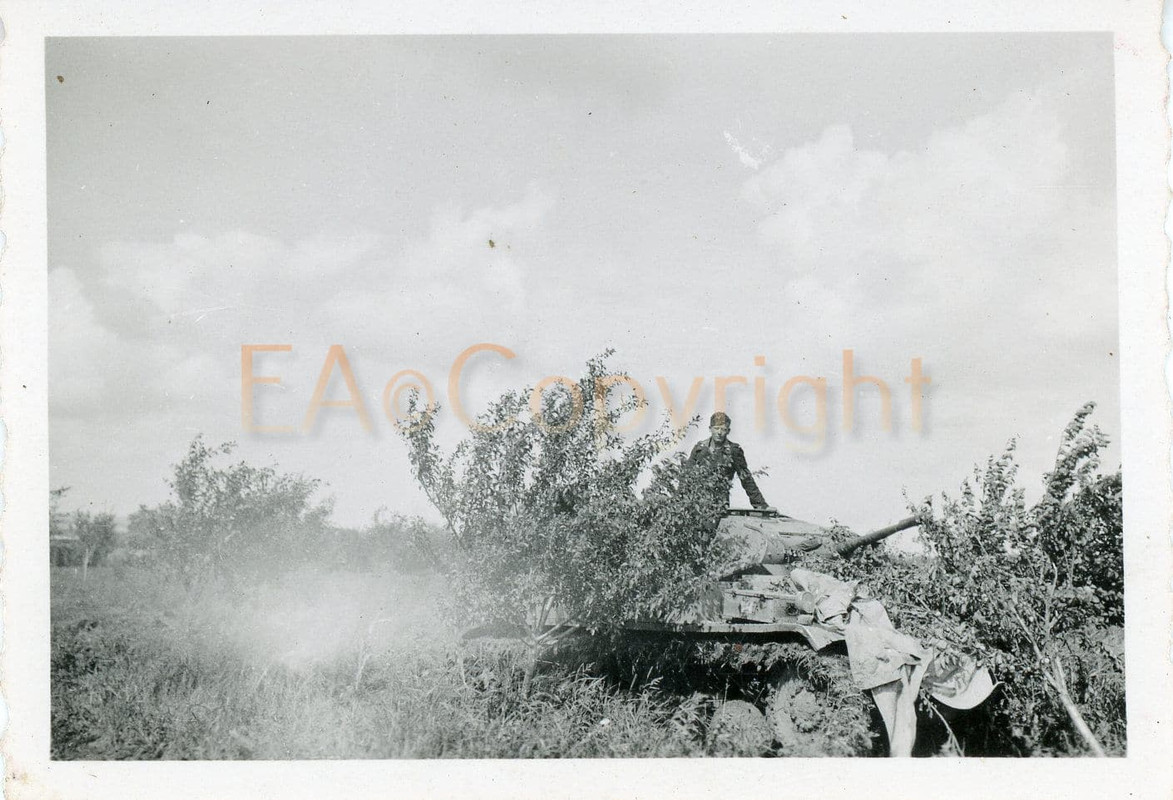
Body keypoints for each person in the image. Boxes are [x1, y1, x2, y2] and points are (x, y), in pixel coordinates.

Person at [685, 412, 771, 510]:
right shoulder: (699, 449)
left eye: (723, 429)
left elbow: (746, 479)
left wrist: (761, 505)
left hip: (719, 505)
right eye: (716, 428)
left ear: (728, 431)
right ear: (710, 429)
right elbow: (686, 477)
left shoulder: (733, 451)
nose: (719, 432)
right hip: (696, 504)